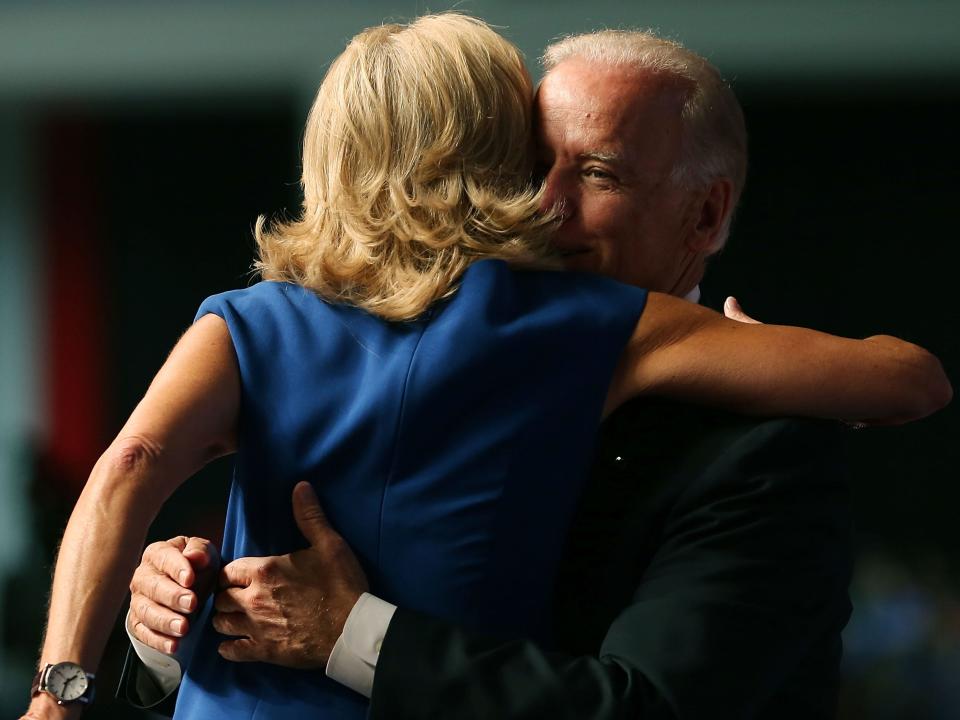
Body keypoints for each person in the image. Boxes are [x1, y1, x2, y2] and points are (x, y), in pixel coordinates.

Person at [25, 15, 949, 720]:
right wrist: (164, 626)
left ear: (707, 218)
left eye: (598, 175)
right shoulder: (559, 329)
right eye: (530, 164)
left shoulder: (755, 443)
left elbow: (647, 706)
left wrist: (345, 635)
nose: (544, 207)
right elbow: (903, 379)